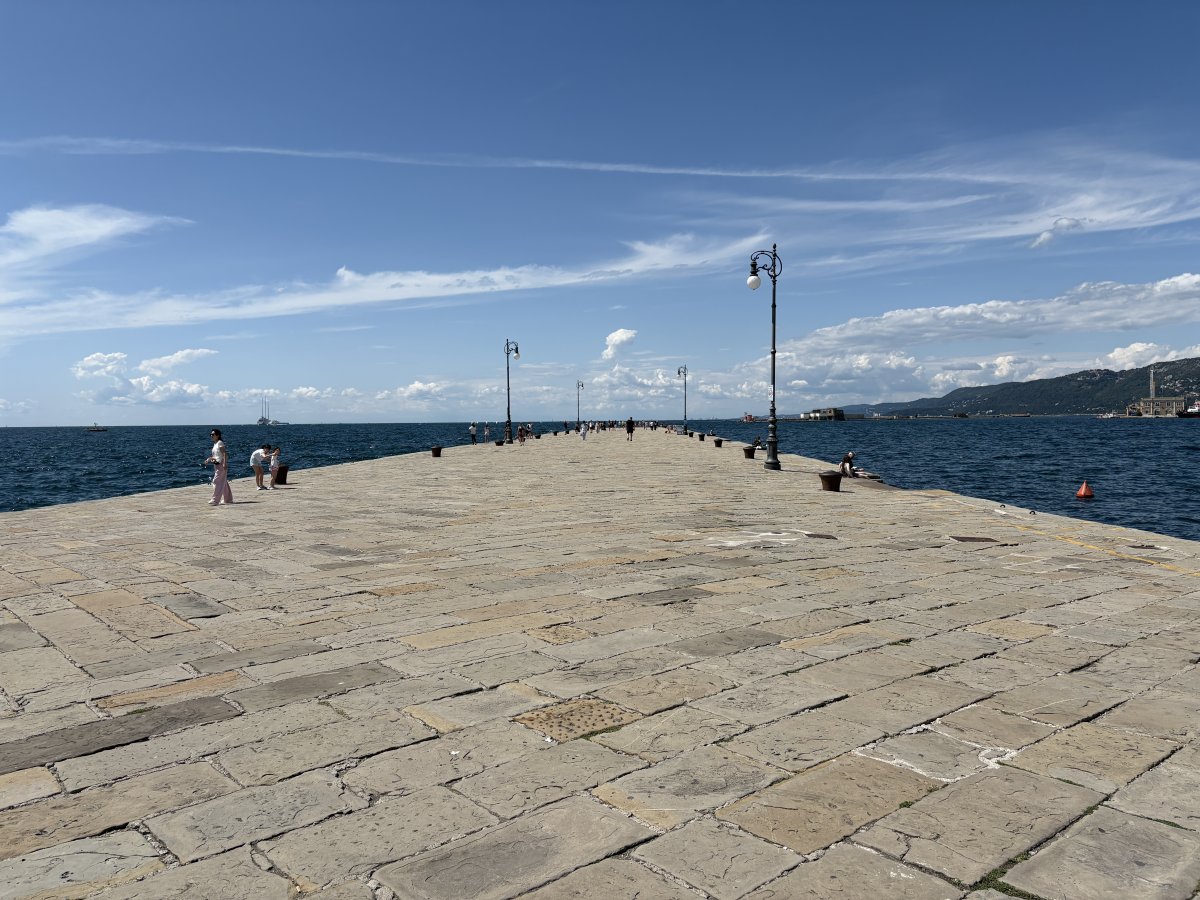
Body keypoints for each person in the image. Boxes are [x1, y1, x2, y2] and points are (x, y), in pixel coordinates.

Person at [205, 429, 233, 506]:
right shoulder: (215, 444)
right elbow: (216, 456)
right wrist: (209, 459)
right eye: (210, 434)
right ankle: (228, 499)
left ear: (218, 435)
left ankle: (215, 500)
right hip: (217, 465)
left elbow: (224, 454)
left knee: (216, 481)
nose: (211, 436)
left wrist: (224, 463)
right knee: (223, 482)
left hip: (221, 465)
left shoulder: (220, 443)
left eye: (213, 434)